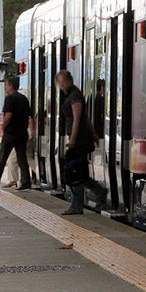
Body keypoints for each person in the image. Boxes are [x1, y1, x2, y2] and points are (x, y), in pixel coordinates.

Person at [56, 70, 107, 215]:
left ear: (68, 80)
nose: (60, 85)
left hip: (79, 139)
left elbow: (78, 118)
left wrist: (73, 139)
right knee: (78, 171)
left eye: (61, 81)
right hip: (80, 137)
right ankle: (97, 192)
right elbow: (86, 118)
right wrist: (94, 134)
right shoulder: (71, 95)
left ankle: (77, 205)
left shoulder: (75, 96)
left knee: (74, 171)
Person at [0, 77, 32, 191]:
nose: (5, 87)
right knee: (22, 159)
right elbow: (29, 116)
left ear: (10, 86)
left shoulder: (10, 98)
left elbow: (8, 116)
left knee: (2, 159)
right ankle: (26, 182)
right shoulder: (24, 99)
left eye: (6, 85)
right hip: (22, 133)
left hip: (11, 133)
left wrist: (3, 127)